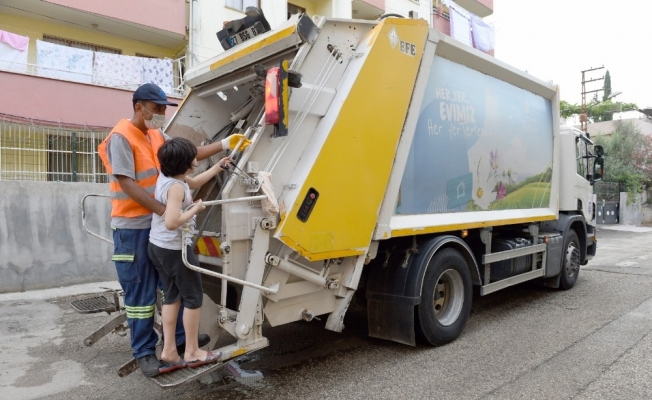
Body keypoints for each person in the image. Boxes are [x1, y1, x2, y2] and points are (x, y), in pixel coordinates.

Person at [97, 83, 251, 377]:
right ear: (139, 107)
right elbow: (126, 183)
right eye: (157, 108)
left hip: (158, 229)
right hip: (133, 227)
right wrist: (168, 211)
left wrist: (225, 144)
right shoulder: (121, 137)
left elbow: (188, 154)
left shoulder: (155, 134)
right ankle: (144, 353)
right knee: (142, 294)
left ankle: (179, 341)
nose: (161, 113)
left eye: (164, 108)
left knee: (171, 289)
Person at [148, 138, 230, 373]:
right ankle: (193, 351)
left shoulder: (171, 178)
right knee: (193, 298)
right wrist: (195, 209)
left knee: (172, 296)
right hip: (174, 250)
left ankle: (169, 351)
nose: (196, 158)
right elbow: (172, 222)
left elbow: (194, 182)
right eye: (193, 156)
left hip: (158, 246)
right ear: (184, 163)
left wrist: (218, 167)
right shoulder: (175, 188)